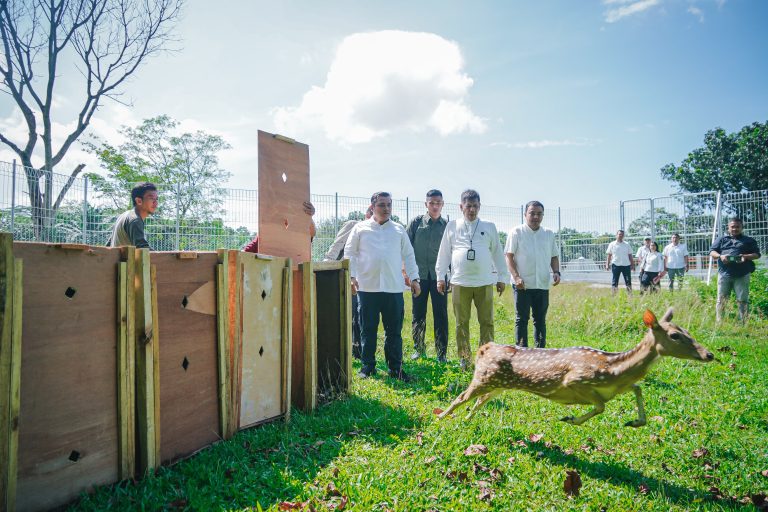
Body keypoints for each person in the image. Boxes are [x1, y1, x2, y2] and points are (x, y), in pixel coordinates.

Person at [344, 192, 421, 381]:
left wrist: (414, 279)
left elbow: (409, 255)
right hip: (367, 288)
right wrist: (351, 276)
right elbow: (350, 253)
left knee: (394, 331)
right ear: (372, 207)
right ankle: (367, 367)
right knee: (367, 329)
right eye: (382, 205)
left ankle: (396, 368)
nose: (386, 209)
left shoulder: (398, 230)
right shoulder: (360, 229)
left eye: (389, 205)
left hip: (393, 289)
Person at [435, 189, 509, 369]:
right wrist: (440, 276)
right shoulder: (452, 226)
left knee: (487, 322)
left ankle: (486, 357)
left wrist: (502, 277)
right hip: (460, 282)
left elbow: (498, 253)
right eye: (468, 206)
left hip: (484, 282)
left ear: (480, 206)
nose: (472, 210)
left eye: (475, 206)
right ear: (461, 206)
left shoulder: (489, 227)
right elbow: (444, 253)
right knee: (461, 323)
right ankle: (464, 358)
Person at [505, 200, 561, 348]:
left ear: (543, 215)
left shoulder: (548, 234)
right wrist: (516, 277)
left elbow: (554, 256)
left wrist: (556, 272)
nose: (535, 216)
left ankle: (540, 353)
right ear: (525, 214)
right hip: (522, 285)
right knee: (522, 319)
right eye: (532, 213)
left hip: (541, 284)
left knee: (540, 320)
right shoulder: (516, 232)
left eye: (539, 214)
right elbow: (509, 256)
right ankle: (521, 353)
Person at [324, 205, 374, 360]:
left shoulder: (377, 232)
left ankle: (357, 351)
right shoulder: (353, 225)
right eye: (371, 213)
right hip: (344, 276)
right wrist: (327, 265)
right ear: (367, 212)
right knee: (345, 314)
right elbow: (337, 246)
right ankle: (337, 350)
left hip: (364, 280)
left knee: (360, 317)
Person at [406, 189, 449, 362]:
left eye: (438, 202)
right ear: (426, 204)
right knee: (418, 314)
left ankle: (441, 353)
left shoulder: (447, 226)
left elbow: (451, 252)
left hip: (439, 278)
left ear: (442, 204)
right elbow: (406, 247)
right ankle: (419, 349)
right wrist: (408, 273)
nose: (435, 206)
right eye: (431, 203)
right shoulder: (416, 223)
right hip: (419, 277)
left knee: (441, 314)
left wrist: (449, 276)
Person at [710, 217, 761, 323]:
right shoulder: (721, 239)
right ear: (728, 227)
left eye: (737, 227)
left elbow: (757, 254)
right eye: (732, 227)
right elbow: (712, 252)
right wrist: (721, 256)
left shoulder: (749, 240)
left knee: (742, 300)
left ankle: (743, 322)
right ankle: (720, 323)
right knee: (721, 300)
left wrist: (745, 256)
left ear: (742, 227)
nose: (735, 229)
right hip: (724, 274)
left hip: (742, 275)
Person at [243, 201, 316, 253]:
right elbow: (245, 252)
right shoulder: (266, 235)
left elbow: (312, 234)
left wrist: (308, 216)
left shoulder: (296, 234)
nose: (286, 220)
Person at [106, 182, 159, 249]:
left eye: (156, 199)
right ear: (139, 201)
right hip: (125, 259)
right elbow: (143, 249)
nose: (156, 202)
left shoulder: (124, 215)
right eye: (151, 198)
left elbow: (109, 244)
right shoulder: (135, 219)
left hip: (117, 259)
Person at [605, 230, 634, 296]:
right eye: (619, 234)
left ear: (623, 236)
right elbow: (609, 255)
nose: (620, 235)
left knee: (628, 281)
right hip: (616, 265)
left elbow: (630, 255)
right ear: (616, 235)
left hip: (626, 265)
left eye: (622, 234)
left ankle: (630, 295)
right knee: (615, 281)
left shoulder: (627, 244)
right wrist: (607, 264)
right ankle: (614, 295)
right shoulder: (612, 244)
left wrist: (632, 265)